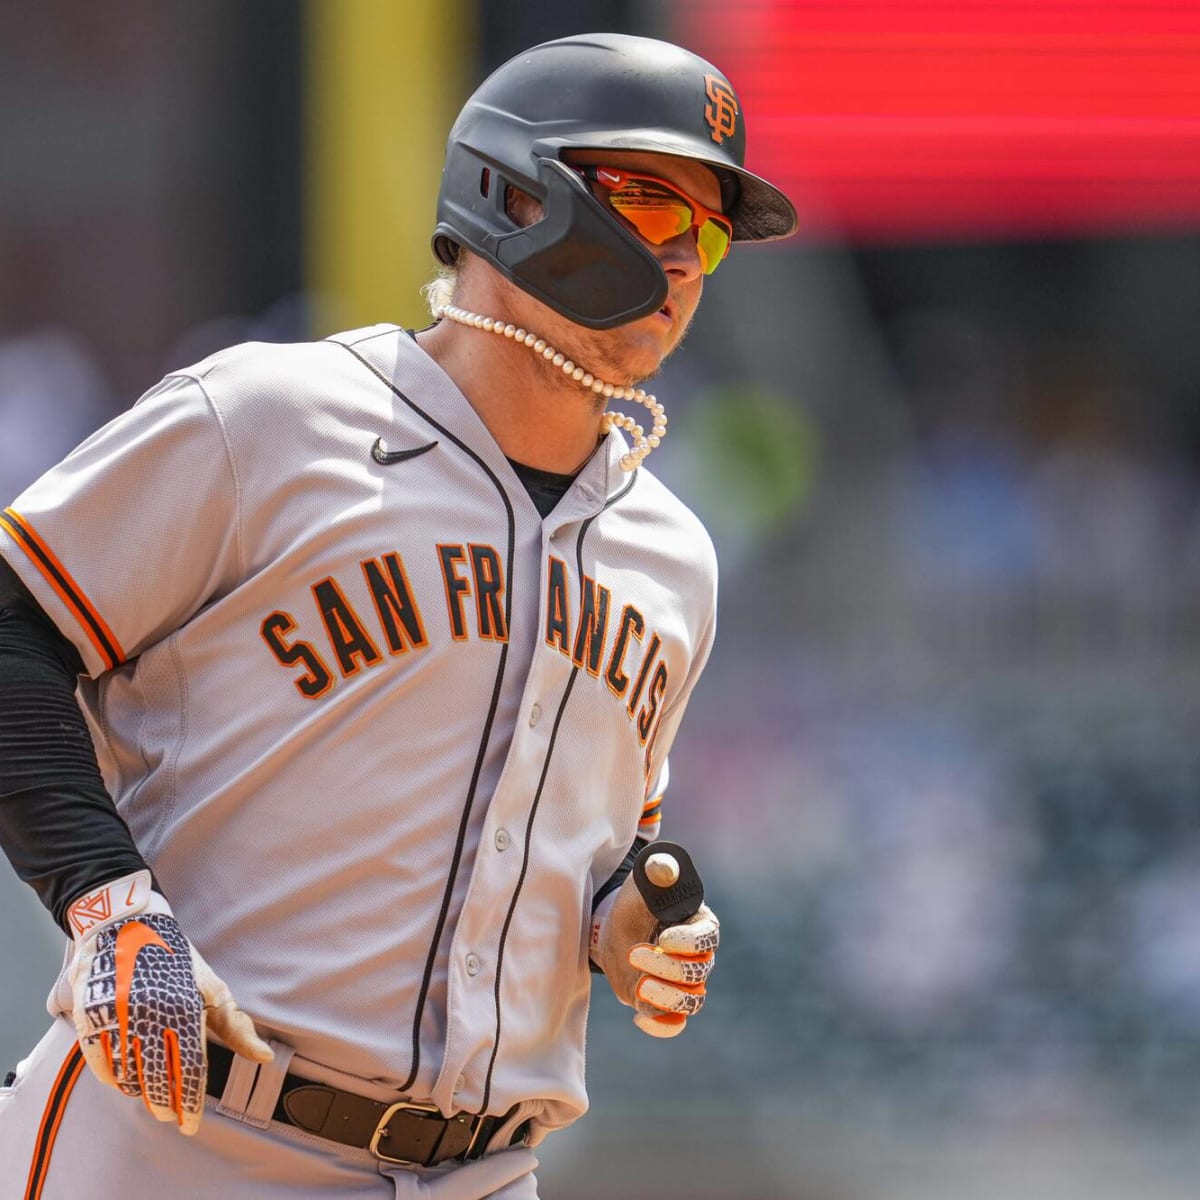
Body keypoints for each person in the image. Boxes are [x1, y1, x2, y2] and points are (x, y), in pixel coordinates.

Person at [0, 31, 796, 1200]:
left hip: (483, 1171)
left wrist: (623, 916)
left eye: (712, 229)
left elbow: (586, 834)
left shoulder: (672, 555)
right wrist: (107, 907)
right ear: (518, 195)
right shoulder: (269, 417)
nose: (687, 258)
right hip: (186, 1137)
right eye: (650, 203)